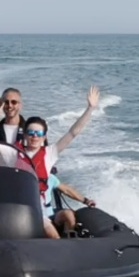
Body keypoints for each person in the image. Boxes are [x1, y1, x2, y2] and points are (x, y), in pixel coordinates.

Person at [16, 85, 100, 238]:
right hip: (29, 214)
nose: (34, 136)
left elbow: (72, 133)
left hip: (49, 213)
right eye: (31, 133)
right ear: (25, 135)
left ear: (43, 137)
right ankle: (61, 248)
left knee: (68, 214)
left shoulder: (50, 158)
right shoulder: (15, 156)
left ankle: (69, 244)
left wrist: (90, 109)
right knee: (48, 229)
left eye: (39, 133)